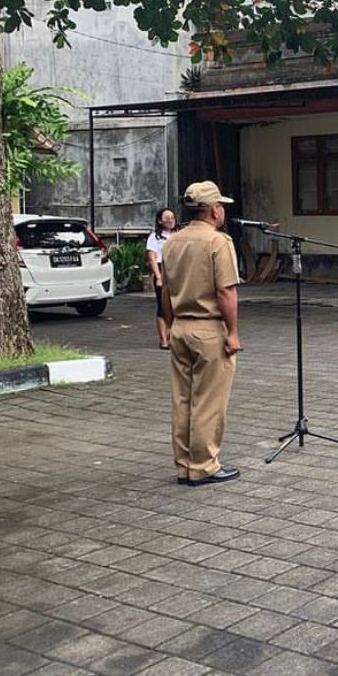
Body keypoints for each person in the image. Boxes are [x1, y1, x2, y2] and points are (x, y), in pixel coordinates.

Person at [162, 181, 242, 486]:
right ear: (214, 210)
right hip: (208, 328)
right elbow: (226, 291)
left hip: (180, 325)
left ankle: (184, 465)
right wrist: (233, 332)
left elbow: (165, 292)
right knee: (209, 400)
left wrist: (170, 326)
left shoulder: (172, 242)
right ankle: (204, 465)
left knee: (182, 399)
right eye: (221, 206)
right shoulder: (218, 242)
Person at [147, 207, 177, 350]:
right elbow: (152, 258)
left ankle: (173, 337)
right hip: (162, 269)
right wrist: (158, 277)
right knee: (162, 306)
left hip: (177, 270)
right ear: (160, 221)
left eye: (172, 217)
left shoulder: (178, 235)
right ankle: (163, 339)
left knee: (176, 305)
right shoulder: (154, 237)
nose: (170, 220)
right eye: (166, 218)